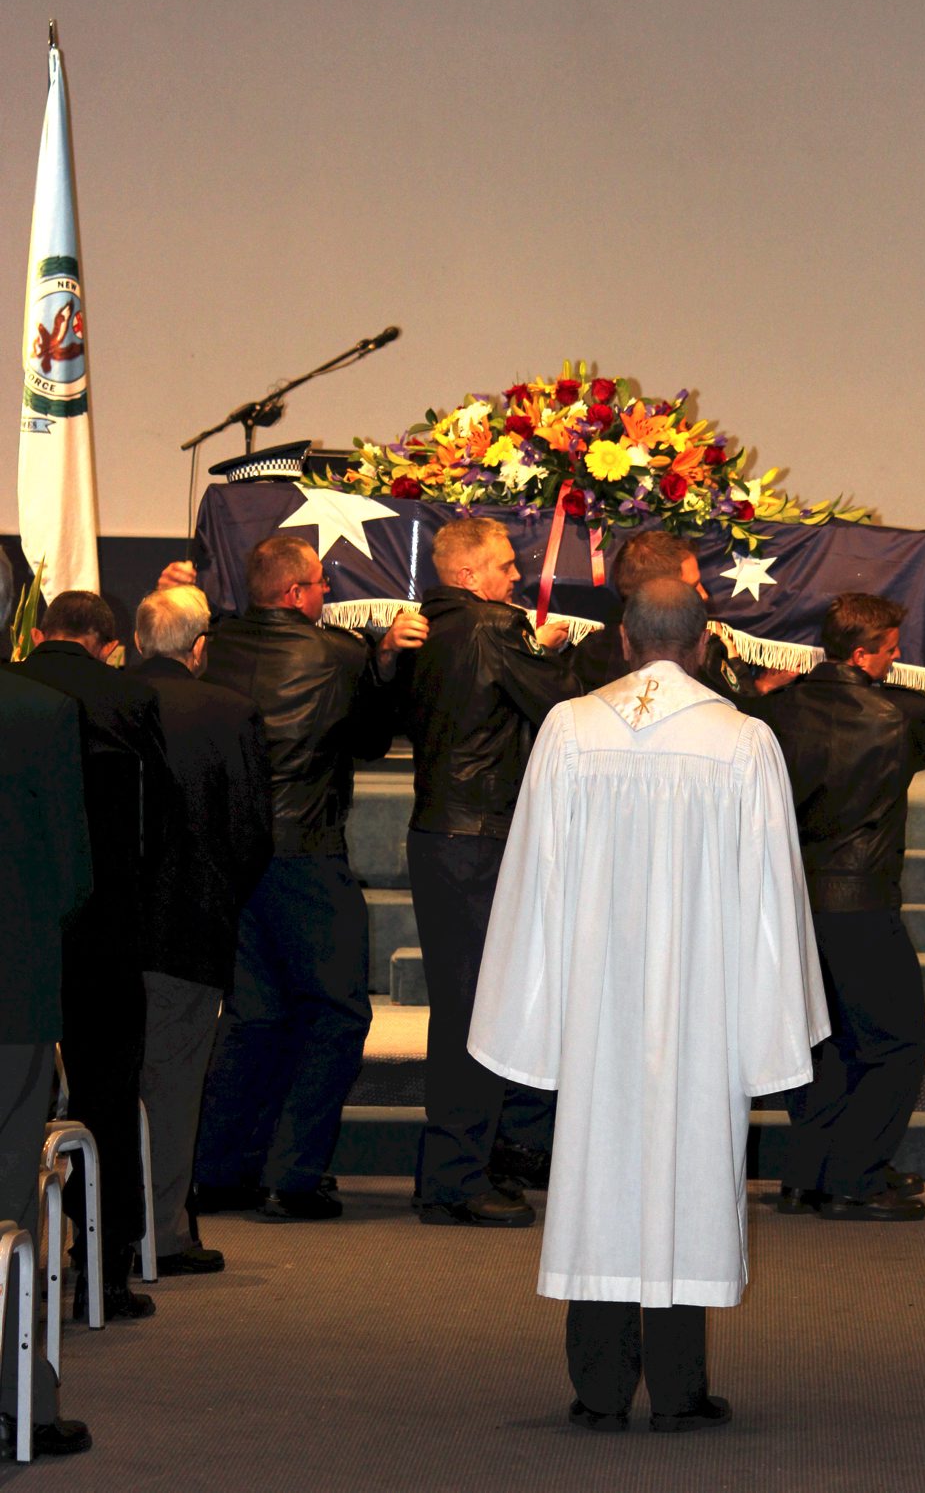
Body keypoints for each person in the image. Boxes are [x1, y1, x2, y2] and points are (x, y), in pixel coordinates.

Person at [468, 578, 829, 1430]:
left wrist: (537, 1007)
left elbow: (534, 880)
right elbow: (771, 899)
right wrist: (769, 1024)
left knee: (599, 1168)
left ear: (624, 641)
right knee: (689, 1169)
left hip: (598, 1004)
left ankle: (598, 1390)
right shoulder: (743, 742)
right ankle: (678, 1389)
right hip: (700, 1006)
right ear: (703, 645)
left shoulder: (568, 730)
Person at [193, 535, 427, 1220]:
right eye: (321, 583)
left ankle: (217, 1171)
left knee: (253, 1015)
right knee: (338, 1014)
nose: (329, 593)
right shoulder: (336, 654)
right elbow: (372, 741)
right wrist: (385, 664)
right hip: (306, 850)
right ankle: (291, 1177)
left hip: (231, 857)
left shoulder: (215, 646)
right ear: (295, 593)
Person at [403, 516, 580, 1227]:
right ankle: (454, 1178)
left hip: (438, 833)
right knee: (477, 1011)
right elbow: (562, 712)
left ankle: (472, 1161)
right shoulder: (493, 627)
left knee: (465, 1006)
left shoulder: (421, 629)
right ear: (469, 573)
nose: (517, 576)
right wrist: (551, 657)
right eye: (505, 565)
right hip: (477, 838)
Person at [762, 592, 925, 1220]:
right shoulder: (897, 717)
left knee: (826, 1043)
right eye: (889, 650)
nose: (895, 658)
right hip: (861, 901)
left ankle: (808, 1175)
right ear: (861, 655)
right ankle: (854, 1177)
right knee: (898, 1043)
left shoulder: (778, 711)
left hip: (794, 903)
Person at [17, 591, 173, 1320]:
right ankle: (103, 1276)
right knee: (106, 1096)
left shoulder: (21, 695)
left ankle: (19, 1277)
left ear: (37, 633)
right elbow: (157, 821)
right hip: (104, 931)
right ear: (109, 644)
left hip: (23, 932)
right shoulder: (129, 699)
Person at [134, 586, 273, 1271]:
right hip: (189, 926)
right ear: (199, 648)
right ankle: (161, 1235)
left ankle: (97, 1232)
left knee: (109, 1083)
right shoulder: (230, 711)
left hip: (105, 930)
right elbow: (251, 832)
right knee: (174, 1085)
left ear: (139, 642)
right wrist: (223, 898)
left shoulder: (103, 702)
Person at [0, 554, 94, 1460]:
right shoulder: (42, 713)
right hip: (12, 991)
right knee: (8, 1207)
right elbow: (71, 877)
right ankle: (18, 1402)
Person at [570, 528, 798, 698]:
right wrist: (758, 684)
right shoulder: (697, 656)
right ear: (662, 592)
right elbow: (738, 715)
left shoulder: (588, 652)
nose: (704, 595)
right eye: (694, 586)